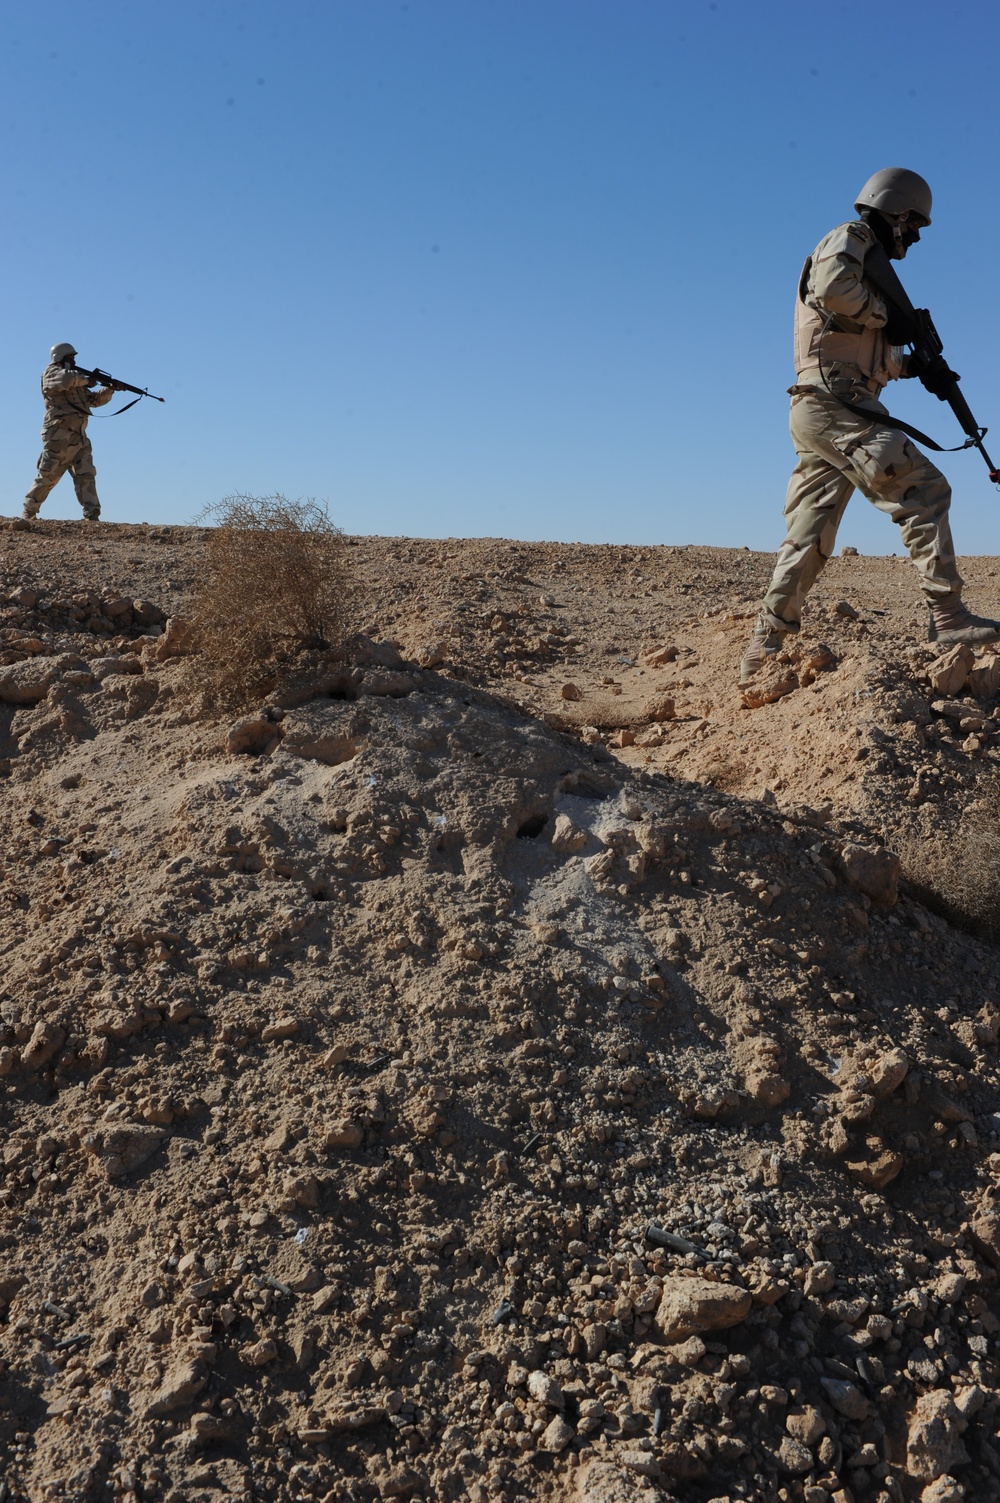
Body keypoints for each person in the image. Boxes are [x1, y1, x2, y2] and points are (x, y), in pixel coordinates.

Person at [740, 167, 1000, 683]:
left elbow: (857, 350)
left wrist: (914, 366)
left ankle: (764, 645)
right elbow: (833, 289)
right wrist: (891, 318)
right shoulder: (851, 238)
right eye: (915, 226)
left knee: (809, 532)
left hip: (828, 405)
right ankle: (947, 616)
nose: (916, 237)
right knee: (923, 488)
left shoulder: (863, 262)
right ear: (897, 214)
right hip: (837, 404)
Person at [23, 343, 116, 522]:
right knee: (48, 475)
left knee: (86, 475)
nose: (74, 360)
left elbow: (94, 400)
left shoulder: (78, 381)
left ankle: (92, 515)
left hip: (79, 436)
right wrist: (87, 379)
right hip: (59, 434)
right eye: (71, 357)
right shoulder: (52, 373)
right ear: (61, 357)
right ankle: (29, 512)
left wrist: (110, 389)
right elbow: (64, 380)